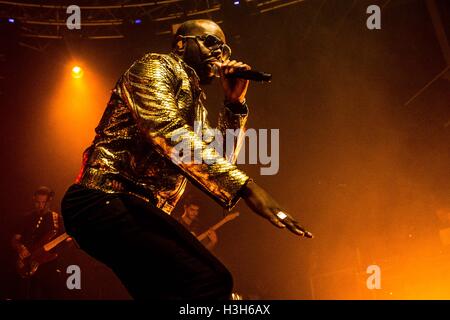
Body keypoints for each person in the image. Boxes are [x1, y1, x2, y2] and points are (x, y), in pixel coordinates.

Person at [61, 19, 311, 300]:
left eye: (225, 50)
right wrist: (247, 188)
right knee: (211, 281)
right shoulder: (155, 66)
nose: (221, 54)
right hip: (103, 198)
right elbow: (166, 131)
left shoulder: (196, 105)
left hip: (134, 210)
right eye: (212, 43)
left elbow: (219, 161)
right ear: (181, 44)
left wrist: (234, 104)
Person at [11, 186, 66, 299]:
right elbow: (15, 239)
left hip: (47, 268)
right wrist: (20, 248)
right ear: (33, 199)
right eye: (37, 202)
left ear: (49, 201)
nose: (40, 206)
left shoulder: (57, 220)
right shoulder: (26, 218)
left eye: (43, 203)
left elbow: (66, 242)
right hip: (25, 265)